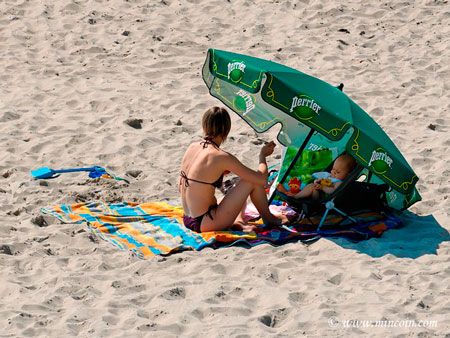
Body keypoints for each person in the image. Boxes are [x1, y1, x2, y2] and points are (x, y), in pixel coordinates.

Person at [179, 106, 289, 233]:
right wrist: (262, 156)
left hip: (188, 217)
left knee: (236, 187)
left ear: (205, 125)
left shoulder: (192, 147)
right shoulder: (220, 156)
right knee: (250, 181)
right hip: (206, 222)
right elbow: (262, 180)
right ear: (227, 129)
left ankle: (239, 220)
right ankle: (269, 219)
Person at [277, 154, 357, 200]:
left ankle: (295, 197)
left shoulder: (339, 182)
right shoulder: (329, 176)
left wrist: (322, 188)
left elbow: (334, 192)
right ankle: (295, 194)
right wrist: (317, 182)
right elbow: (318, 182)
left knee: (311, 187)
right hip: (318, 193)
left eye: (338, 172)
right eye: (333, 169)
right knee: (311, 185)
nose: (334, 172)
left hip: (322, 200)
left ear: (348, 174)